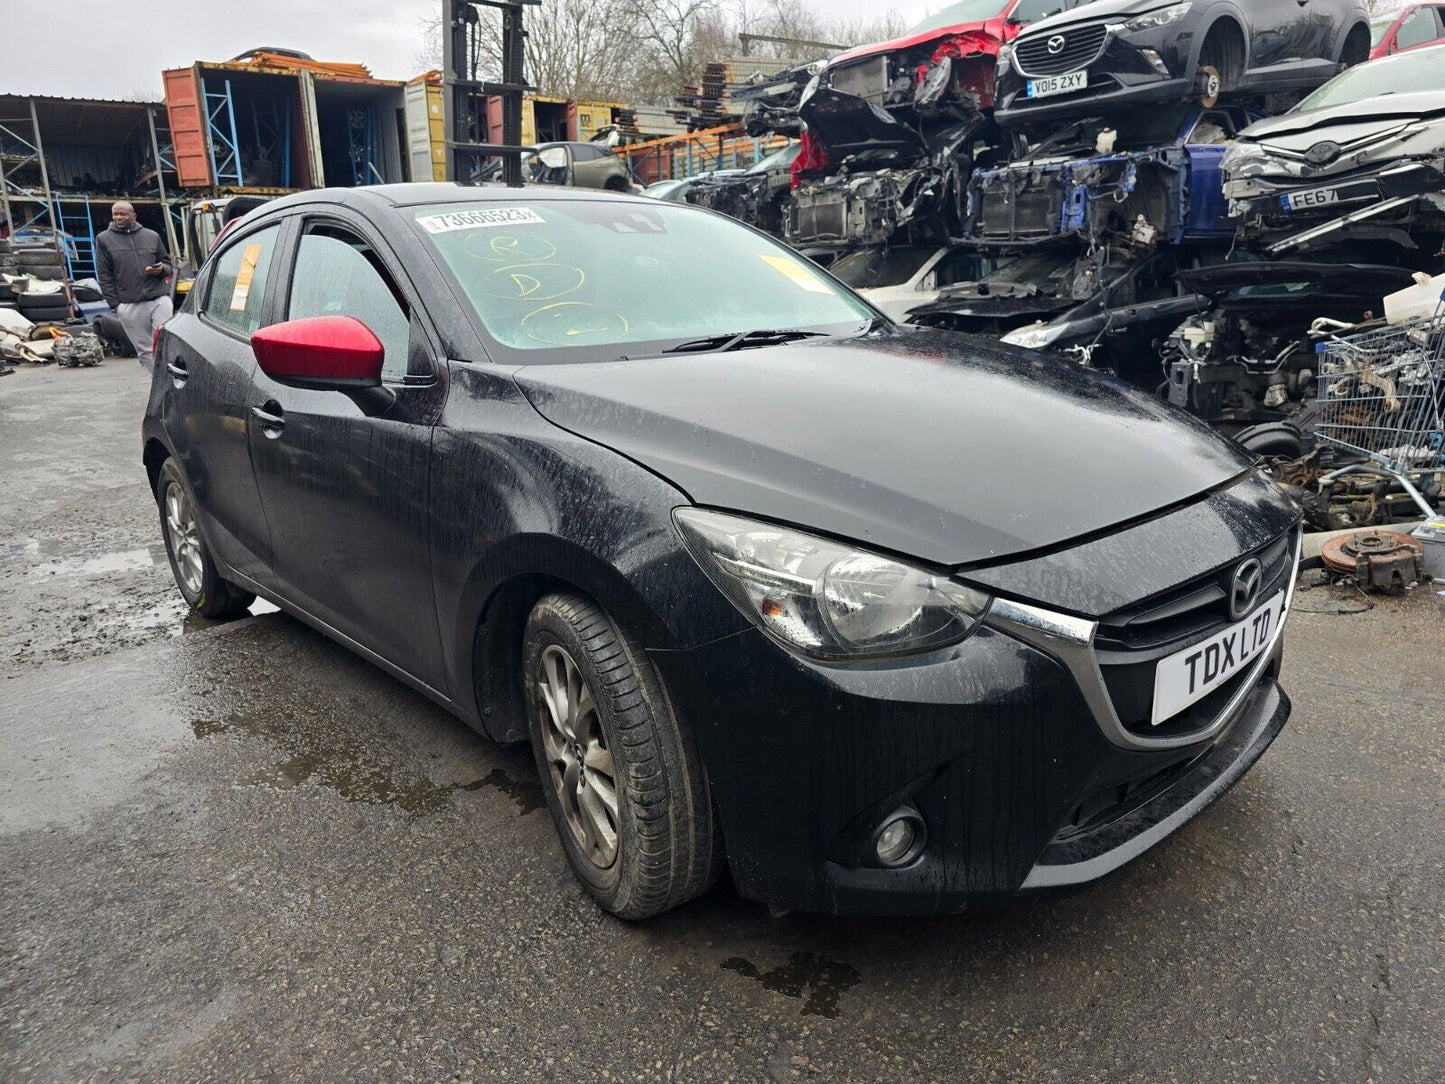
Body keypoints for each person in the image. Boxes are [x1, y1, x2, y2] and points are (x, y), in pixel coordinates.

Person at [95, 201, 172, 368]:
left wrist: (161, 270)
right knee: (145, 349)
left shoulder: (152, 236)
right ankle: (159, 385)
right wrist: (116, 305)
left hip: (158, 299)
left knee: (164, 342)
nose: (118, 218)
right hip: (129, 304)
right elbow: (104, 275)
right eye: (115, 214)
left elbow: (168, 264)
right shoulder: (104, 240)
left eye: (123, 214)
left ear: (134, 216)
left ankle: (171, 382)